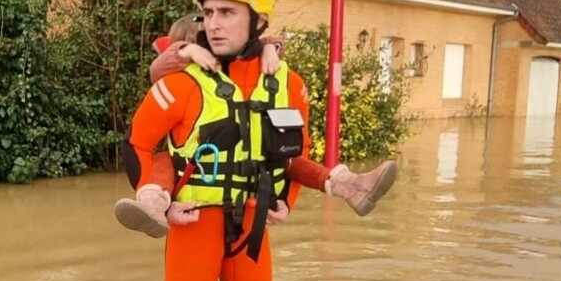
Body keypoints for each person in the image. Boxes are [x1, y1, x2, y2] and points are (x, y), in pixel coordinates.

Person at [121, 0, 320, 281]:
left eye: (227, 13)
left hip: (251, 223)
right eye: (208, 13)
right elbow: (137, 146)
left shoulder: (288, 83)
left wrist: (286, 201)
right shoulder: (179, 83)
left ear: (258, 21)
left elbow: (299, 151)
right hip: (193, 224)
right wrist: (164, 205)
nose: (213, 24)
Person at [114, 15, 398, 238]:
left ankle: (348, 185)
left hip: (241, 166)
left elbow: (255, 43)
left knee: (285, 156)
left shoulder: (245, 66)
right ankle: (153, 204)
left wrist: (267, 49)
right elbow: (159, 68)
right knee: (162, 160)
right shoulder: (179, 69)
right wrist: (187, 50)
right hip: (188, 162)